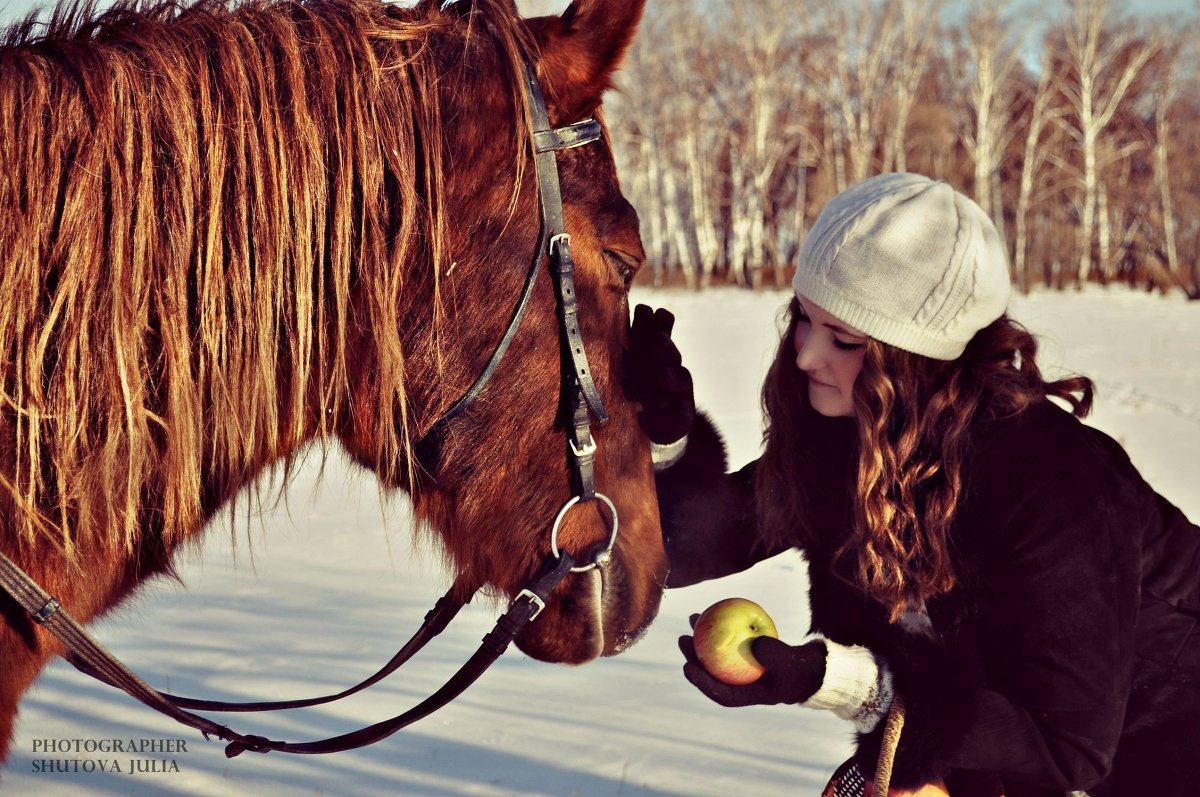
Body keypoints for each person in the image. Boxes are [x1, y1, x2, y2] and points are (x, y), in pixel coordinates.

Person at [623, 172, 1200, 797]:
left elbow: (1067, 748)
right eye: (803, 320)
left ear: (918, 358)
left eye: (844, 339)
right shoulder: (858, 442)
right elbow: (680, 546)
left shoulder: (1055, 482)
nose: (806, 355)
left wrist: (838, 680)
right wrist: (661, 436)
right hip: (1002, 744)